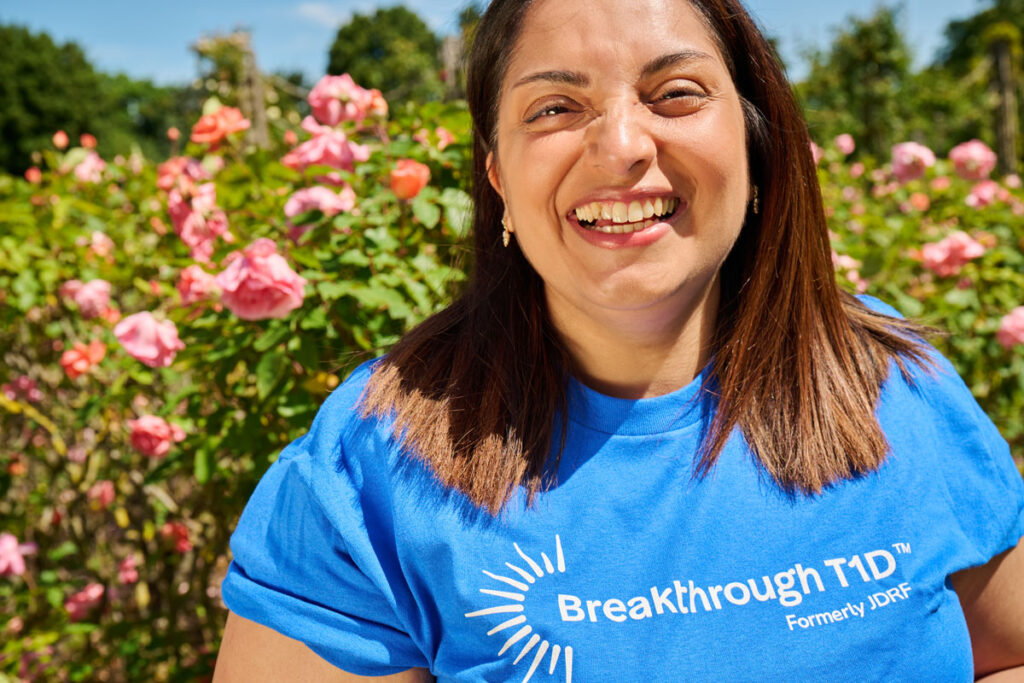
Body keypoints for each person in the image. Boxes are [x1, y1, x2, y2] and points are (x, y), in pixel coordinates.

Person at [213, 0, 1024, 680]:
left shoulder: (895, 387)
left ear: (755, 137)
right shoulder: (371, 466)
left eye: (674, 93)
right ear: (496, 173)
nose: (623, 146)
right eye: (556, 108)